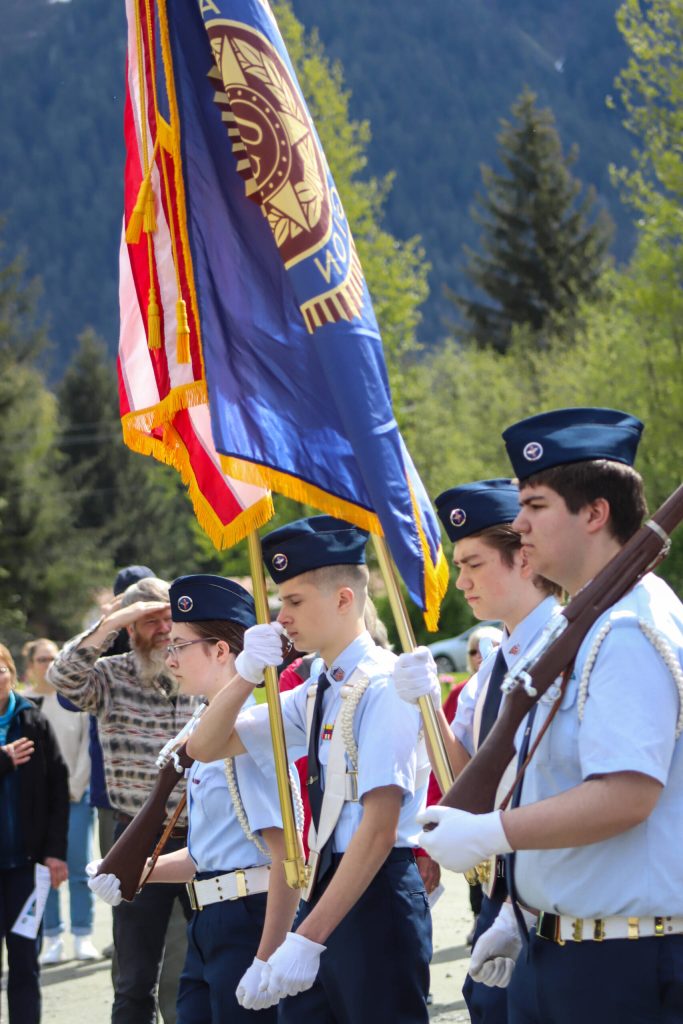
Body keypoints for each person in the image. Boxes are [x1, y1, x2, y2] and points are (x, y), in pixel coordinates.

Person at [417, 407, 683, 1024]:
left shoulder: (628, 627)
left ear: (595, 512)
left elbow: (625, 795)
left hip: (619, 963)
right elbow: (553, 783)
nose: (518, 525)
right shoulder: (581, 627)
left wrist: (493, 834)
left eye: (535, 506)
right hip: (563, 947)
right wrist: (520, 904)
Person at [186, 515, 432, 1022]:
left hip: (375, 892)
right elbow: (206, 747)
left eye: (294, 601)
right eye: (281, 602)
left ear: (344, 598)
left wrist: (306, 939)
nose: (282, 617)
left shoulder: (383, 685)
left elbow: (378, 828)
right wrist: (246, 675)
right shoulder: (320, 687)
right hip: (326, 887)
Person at [87, 574, 301, 1023]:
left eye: (180, 645)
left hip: (249, 923)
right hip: (209, 924)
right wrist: (135, 872)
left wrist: (269, 955)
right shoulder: (206, 733)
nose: (170, 658)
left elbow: (286, 859)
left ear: (221, 651)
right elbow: (209, 855)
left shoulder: (249, 733)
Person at [393, 478, 559, 1024]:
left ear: (524, 561)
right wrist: (429, 707)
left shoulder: (568, 646)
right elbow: (466, 778)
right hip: (498, 893)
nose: (460, 581)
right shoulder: (492, 668)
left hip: (556, 896)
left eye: (473, 564)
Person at [47, 576, 198, 1024]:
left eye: (171, 618)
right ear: (130, 630)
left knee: (210, 961)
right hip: (135, 836)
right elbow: (63, 675)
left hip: (204, 837)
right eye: (151, 621)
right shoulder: (109, 678)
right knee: (135, 979)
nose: (165, 629)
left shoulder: (201, 671)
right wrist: (115, 620)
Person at [0, 642, 69, 1024]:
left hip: (27, 868)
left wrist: (54, 852)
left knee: (26, 962)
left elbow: (58, 788)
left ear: (12, 672)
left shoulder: (34, 721)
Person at [21, 638, 99, 965]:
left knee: (79, 868)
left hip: (74, 798)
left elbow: (86, 749)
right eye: (42, 659)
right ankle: (52, 936)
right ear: (29, 666)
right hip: (35, 805)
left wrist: (75, 787)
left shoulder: (73, 701)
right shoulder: (22, 704)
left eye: (53, 658)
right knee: (43, 871)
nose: (48, 664)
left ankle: (82, 934)